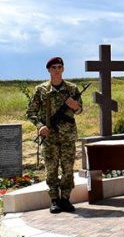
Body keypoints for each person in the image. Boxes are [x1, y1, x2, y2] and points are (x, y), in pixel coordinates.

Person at [26, 57, 83, 214]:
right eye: (54, 67)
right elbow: (30, 112)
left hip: (67, 136)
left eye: (59, 67)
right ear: (49, 70)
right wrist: (40, 126)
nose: (57, 70)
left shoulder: (72, 89)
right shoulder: (41, 90)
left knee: (68, 169)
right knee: (51, 169)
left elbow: (79, 110)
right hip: (49, 137)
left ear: (63, 69)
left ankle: (65, 198)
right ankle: (54, 200)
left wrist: (75, 106)